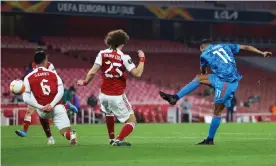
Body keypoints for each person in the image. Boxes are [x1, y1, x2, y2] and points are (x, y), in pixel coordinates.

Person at [159, 39, 272, 145]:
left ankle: (210, 139)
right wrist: (262, 53)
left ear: (201, 48)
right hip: (222, 79)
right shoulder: (225, 46)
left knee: (217, 111)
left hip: (226, 83)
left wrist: (206, 76)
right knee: (199, 79)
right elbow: (246, 47)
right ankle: (175, 97)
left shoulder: (204, 54)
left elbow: (203, 71)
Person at [77, 29, 145, 146]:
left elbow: (93, 72)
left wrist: (84, 82)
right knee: (132, 120)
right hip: (117, 94)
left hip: (103, 94)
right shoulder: (124, 57)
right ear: (122, 43)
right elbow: (137, 73)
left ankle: (111, 139)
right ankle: (119, 139)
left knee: (109, 113)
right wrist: (142, 59)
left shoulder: (102, 54)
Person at [15, 48, 78, 145]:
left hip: (42, 106)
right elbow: (60, 89)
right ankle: (70, 134)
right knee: (65, 131)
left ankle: (49, 137)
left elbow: (26, 98)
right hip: (54, 103)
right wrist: (52, 104)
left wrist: (41, 106)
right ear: (45, 60)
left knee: (40, 114)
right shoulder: (53, 73)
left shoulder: (28, 77)